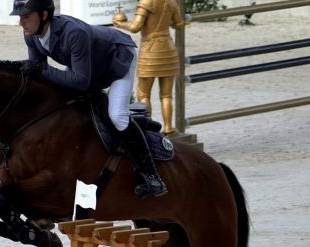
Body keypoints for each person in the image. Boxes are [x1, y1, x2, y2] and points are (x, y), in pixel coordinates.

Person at [11, 0, 167, 198]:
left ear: (43, 15)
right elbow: (38, 73)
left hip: (118, 57)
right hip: (88, 64)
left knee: (117, 116)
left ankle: (151, 175)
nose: (21, 23)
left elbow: (80, 82)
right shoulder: (31, 35)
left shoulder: (73, 33)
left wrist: (43, 70)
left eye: (26, 17)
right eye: (20, 17)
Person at [113, 0, 185, 135]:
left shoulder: (146, 2)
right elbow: (179, 24)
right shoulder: (171, 2)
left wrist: (121, 24)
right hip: (168, 49)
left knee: (143, 94)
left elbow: (135, 27)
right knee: (167, 95)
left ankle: (149, 128)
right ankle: (169, 128)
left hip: (150, 51)